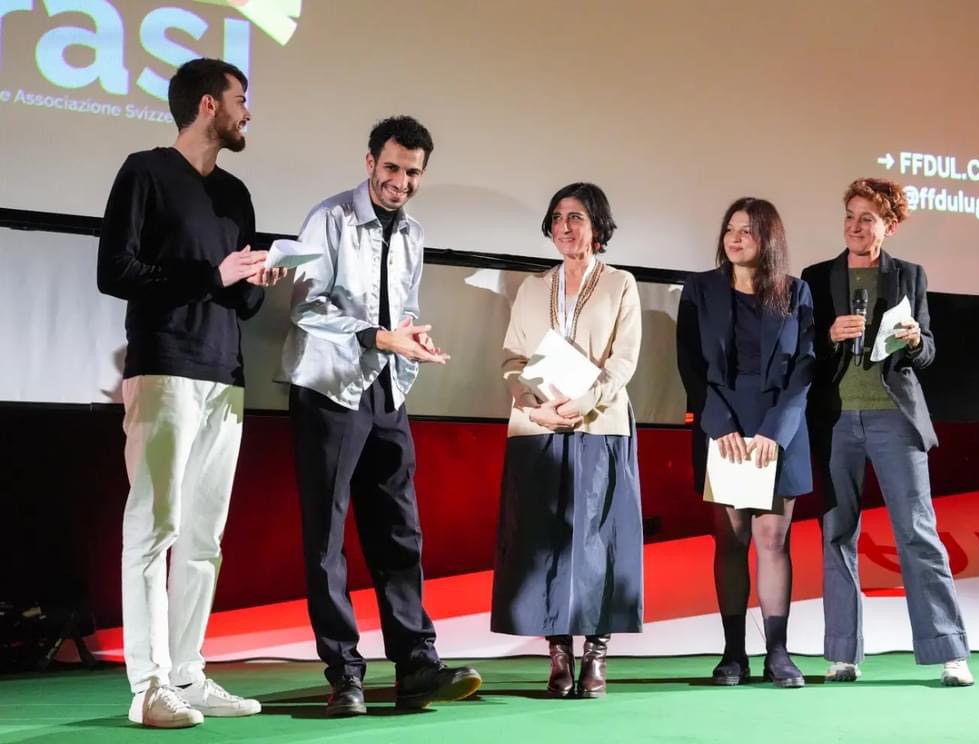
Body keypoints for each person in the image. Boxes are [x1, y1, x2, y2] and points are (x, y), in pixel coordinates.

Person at [98, 58, 284, 728]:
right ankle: (147, 687)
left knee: (205, 537)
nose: (248, 112)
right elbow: (115, 270)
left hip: (224, 376)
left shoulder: (236, 195)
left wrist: (257, 281)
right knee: (155, 528)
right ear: (209, 105)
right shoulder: (145, 172)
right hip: (164, 367)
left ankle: (187, 673)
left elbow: (240, 299)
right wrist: (212, 274)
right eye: (241, 99)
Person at [280, 116, 482, 716]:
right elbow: (305, 307)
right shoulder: (330, 218)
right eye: (392, 167)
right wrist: (377, 336)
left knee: (400, 531)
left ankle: (417, 665)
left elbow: (404, 307)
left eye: (413, 172)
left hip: (387, 390)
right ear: (370, 162)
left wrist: (410, 339)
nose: (401, 181)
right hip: (329, 389)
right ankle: (344, 673)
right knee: (327, 539)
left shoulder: (414, 232)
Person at [801, 178, 974, 687]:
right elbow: (798, 347)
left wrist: (916, 340)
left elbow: (927, 352)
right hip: (835, 420)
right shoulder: (816, 277)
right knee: (837, 534)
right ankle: (842, 654)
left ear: (889, 226)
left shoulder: (909, 275)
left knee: (917, 532)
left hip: (894, 417)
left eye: (867, 219)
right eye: (850, 216)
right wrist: (827, 334)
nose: (855, 226)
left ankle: (949, 650)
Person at [491, 182, 643, 699]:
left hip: (599, 425)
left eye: (575, 216)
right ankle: (558, 655)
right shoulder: (533, 287)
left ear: (597, 225)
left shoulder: (620, 284)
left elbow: (624, 359)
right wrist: (532, 403)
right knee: (543, 540)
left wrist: (586, 401)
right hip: (538, 427)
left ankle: (596, 654)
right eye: (557, 217)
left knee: (598, 541)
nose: (564, 226)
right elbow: (513, 358)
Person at [676, 198, 815, 688]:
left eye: (747, 231)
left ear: (768, 239)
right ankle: (733, 653)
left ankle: (778, 653)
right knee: (732, 541)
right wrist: (720, 425)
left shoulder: (795, 292)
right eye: (730, 229)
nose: (735, 239)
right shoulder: (700, 289)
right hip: (724, 423)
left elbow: (805, 367)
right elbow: (690, 365)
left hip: (780, 424)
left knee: (773, 540)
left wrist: (776, 431)